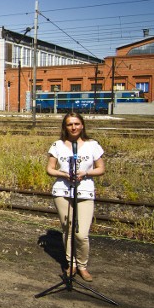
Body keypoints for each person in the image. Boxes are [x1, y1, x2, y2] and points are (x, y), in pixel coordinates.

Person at [46, 112, 105, 282]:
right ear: (65, 127)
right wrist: (62, 174)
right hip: (62, 191)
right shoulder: (57, 145)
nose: (73, 127)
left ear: (82, 125)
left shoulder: (92, 145)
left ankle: (82, 265)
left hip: (85, 191)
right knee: (68, 229)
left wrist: (86, 172)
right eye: (70, 124)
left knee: (81, 234)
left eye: (77, 124)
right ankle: (70, 263)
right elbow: (50, 169)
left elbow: (101, 168)